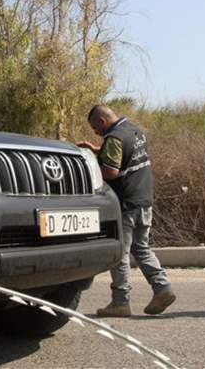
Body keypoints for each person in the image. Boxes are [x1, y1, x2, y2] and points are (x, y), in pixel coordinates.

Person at [76, 105, 175, 317]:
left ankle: (120, 302)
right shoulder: (134, 130)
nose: (96, 132)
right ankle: (163, 288)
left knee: (120, 253)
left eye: (95, 128)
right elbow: (127, 157)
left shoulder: (114, 138)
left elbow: (111, 171)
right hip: (144, 199)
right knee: (142, 248)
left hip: (126, 204)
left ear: (102, 121)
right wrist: (98, 150)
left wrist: (90, 168)